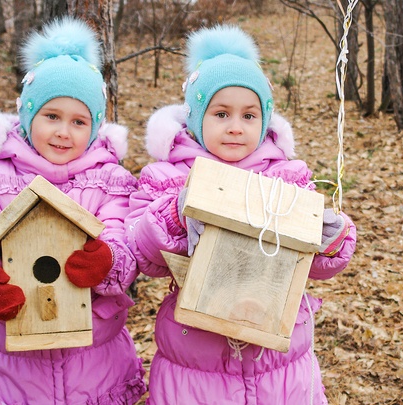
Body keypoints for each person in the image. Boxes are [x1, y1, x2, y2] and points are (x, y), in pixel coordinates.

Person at [125, 24, 357, 404]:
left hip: (280, 366)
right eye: (221, 113)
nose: (235, 127)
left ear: (265, 121)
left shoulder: (287, 176)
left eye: (249, 116)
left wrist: (331, 239)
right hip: (196, 363)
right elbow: (142, 251)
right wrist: (177, 214)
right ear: (197, 118)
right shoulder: (169, 177)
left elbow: (318, 267)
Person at [0, 17, 146, 404]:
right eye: (51, 116)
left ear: (95, 126)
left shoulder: (109, 181)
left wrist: (107, 263)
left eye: (78, 121)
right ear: (28, 115)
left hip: (96, 360)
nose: (63, 132)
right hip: (10, 367)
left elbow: (124, 241)